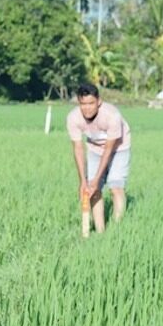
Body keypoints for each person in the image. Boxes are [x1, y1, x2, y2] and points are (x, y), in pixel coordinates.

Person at [66, 82, 130, 233]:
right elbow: (78, 149)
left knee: (115, 187)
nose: (87, 108)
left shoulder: (112, 115)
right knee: (92, 190)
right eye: (83, 104)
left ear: (99, 101)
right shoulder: (73, 118)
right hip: (95, 149)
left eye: (91, 103)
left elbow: (108, 149)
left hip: (118, 148)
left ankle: (116, 230)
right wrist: (83, 181)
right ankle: (101, 232)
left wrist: (96, 179)